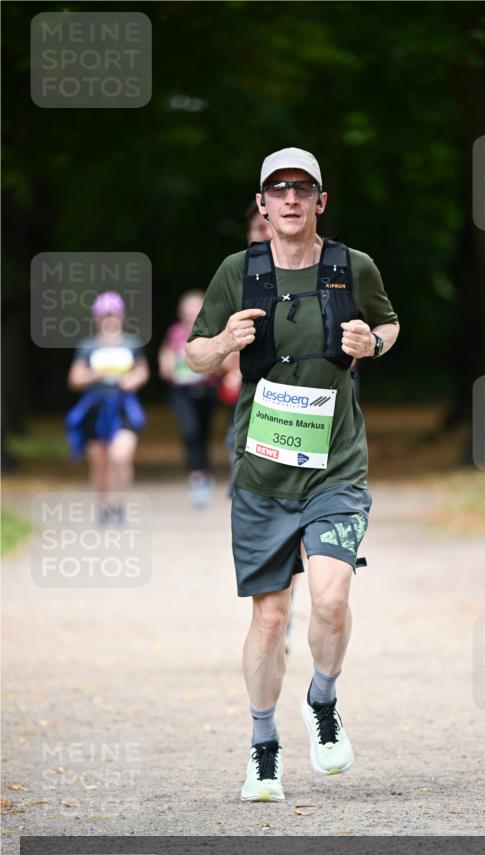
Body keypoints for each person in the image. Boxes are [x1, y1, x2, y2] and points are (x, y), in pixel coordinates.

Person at [186, 148, 399, 802]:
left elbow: (388, 324)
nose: (289, 199)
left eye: (302, 189)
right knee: (272, 617)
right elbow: (194, 354)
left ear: (319, 201)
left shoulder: (349, 267)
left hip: (335, 465)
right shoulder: (236, 272)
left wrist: (373, 343)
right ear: (261, 204)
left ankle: (323, 701)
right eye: (276, 190)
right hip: (262, 472)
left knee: (332, 597)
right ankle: (261, 748)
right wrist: (222, 344)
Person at [66, 291, 149, 523]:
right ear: (97, 318)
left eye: (113, 314)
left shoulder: (131, 344)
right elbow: (74, 379)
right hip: (95, 409)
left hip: (123, 408)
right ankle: (104, 508)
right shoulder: (87, 346)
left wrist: (132, 381)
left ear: (121, 316)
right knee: (100, 464)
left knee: (120, 456)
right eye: (104, 315)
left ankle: (119, 505)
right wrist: (96, 375)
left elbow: (142, 371)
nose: (109, 319)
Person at [158, 290, 220, 507]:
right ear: (181, 312)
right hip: (181, 391)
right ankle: (196, 476)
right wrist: (167, 366)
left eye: (195, 309)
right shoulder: (174, 333)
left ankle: (203, 473)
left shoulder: (211, 331)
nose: (191, 313)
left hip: (207, 389)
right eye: (187, 309)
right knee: (190, 431)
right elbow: (165, 357)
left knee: (203, 433)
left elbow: (222, 358)